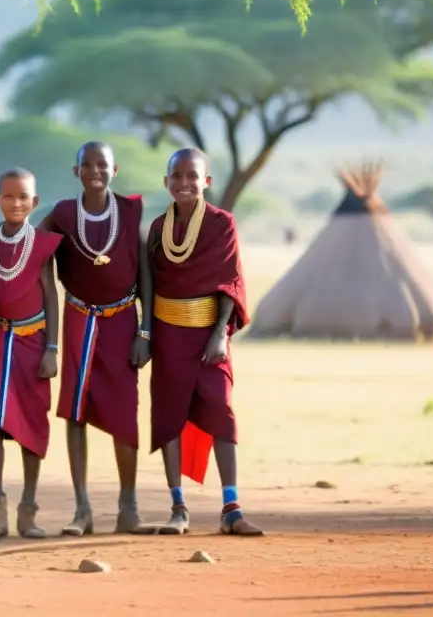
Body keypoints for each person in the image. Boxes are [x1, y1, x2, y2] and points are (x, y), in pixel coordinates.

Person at [36, 141, 152, 536]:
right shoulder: (65, 213)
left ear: (114, 169)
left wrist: (145, 330)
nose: (95, 171)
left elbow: (146, 274)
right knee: (75, 409)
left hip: (122, 321)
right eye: (88, 165)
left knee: (125, 412)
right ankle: (82, 509)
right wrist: (45, 285)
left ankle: (129, 507)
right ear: (77, 171)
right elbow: (34, 242)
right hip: (79, 318)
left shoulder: (129, 210)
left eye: (102, 165)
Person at [147, 148, 263, 537]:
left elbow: (230, 282)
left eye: (192, 177)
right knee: (168, 417)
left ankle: (231, 507)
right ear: (166, 182)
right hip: (167, 334)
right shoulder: (157, 229)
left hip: (210, 335)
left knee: (221, 411)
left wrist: (219, 336)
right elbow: (148, 288)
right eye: (176, 176)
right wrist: (146, 335)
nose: (184, 183)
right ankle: (178, 507)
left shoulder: (221, 224)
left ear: (206, 182)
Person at [0, 168, 63, 542]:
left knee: (32, 426)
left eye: (23, 197)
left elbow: (51, 296)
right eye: (8, 196)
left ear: (34, 202)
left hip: (34, 342)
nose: (16, 203)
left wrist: (53, 348)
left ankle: (28, 512)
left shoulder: (40, 244)